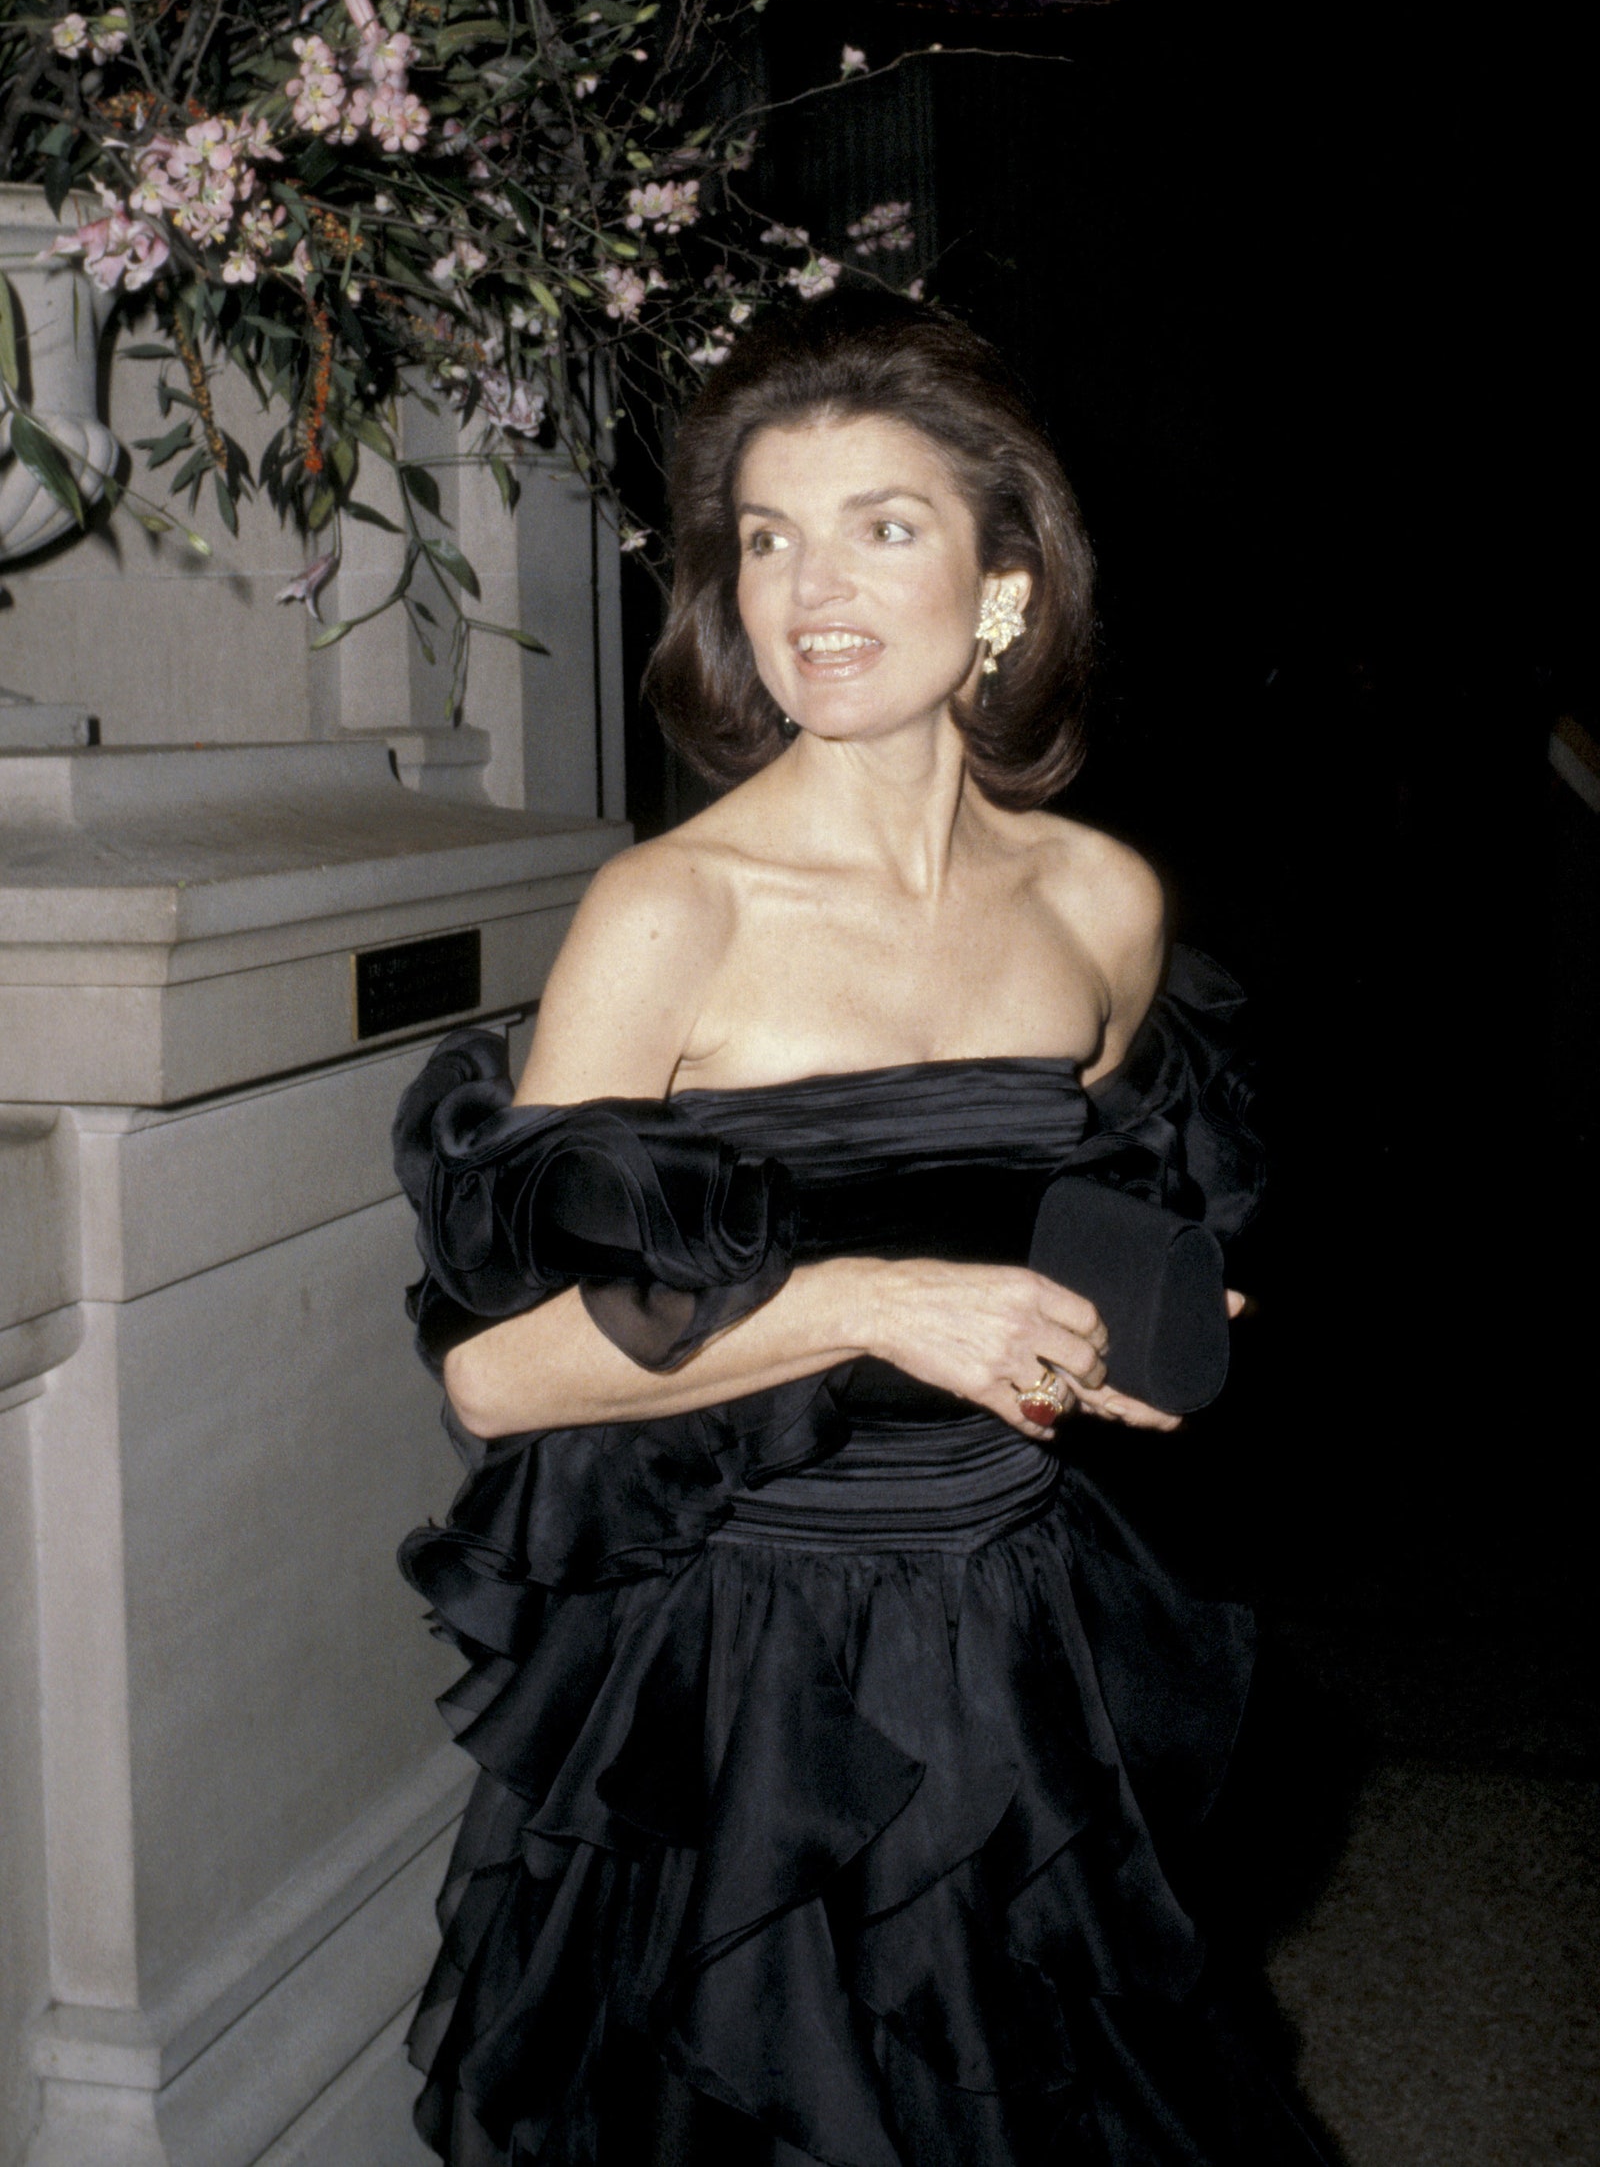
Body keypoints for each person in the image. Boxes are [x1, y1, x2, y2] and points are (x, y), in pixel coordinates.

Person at [392, 297, 1329, 2164]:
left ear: (1003, 584)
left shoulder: (1101, 902)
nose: (810, 588)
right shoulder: (672, 910)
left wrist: (1116, 1334)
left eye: (881, 526)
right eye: (767, 537)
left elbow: (1070, 1211)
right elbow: (498, 1377)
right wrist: (870, 1302)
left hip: (1030, 1631)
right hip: (754, 1683)